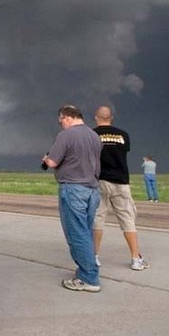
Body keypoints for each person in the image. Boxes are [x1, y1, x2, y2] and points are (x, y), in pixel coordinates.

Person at [42, 105, 103, 293]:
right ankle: (86, 271)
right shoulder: (94, 136)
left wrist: (46, 159)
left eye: (60, 120)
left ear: (67, 117)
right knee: (86, 231)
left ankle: (89, 278)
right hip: (92, 188)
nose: (60, 124)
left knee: (77, 234)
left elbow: (53, 161)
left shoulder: (66, 135)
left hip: (73, 188)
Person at [92, 106, 149, 271]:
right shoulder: (123, 135)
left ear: (96, 118)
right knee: (127, 219)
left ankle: (94, 256)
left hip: (100, 181)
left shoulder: (92, 134)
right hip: (121, 181)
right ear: (112, 118)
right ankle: (135, 258)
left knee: (97, 219)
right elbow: (124, 151)